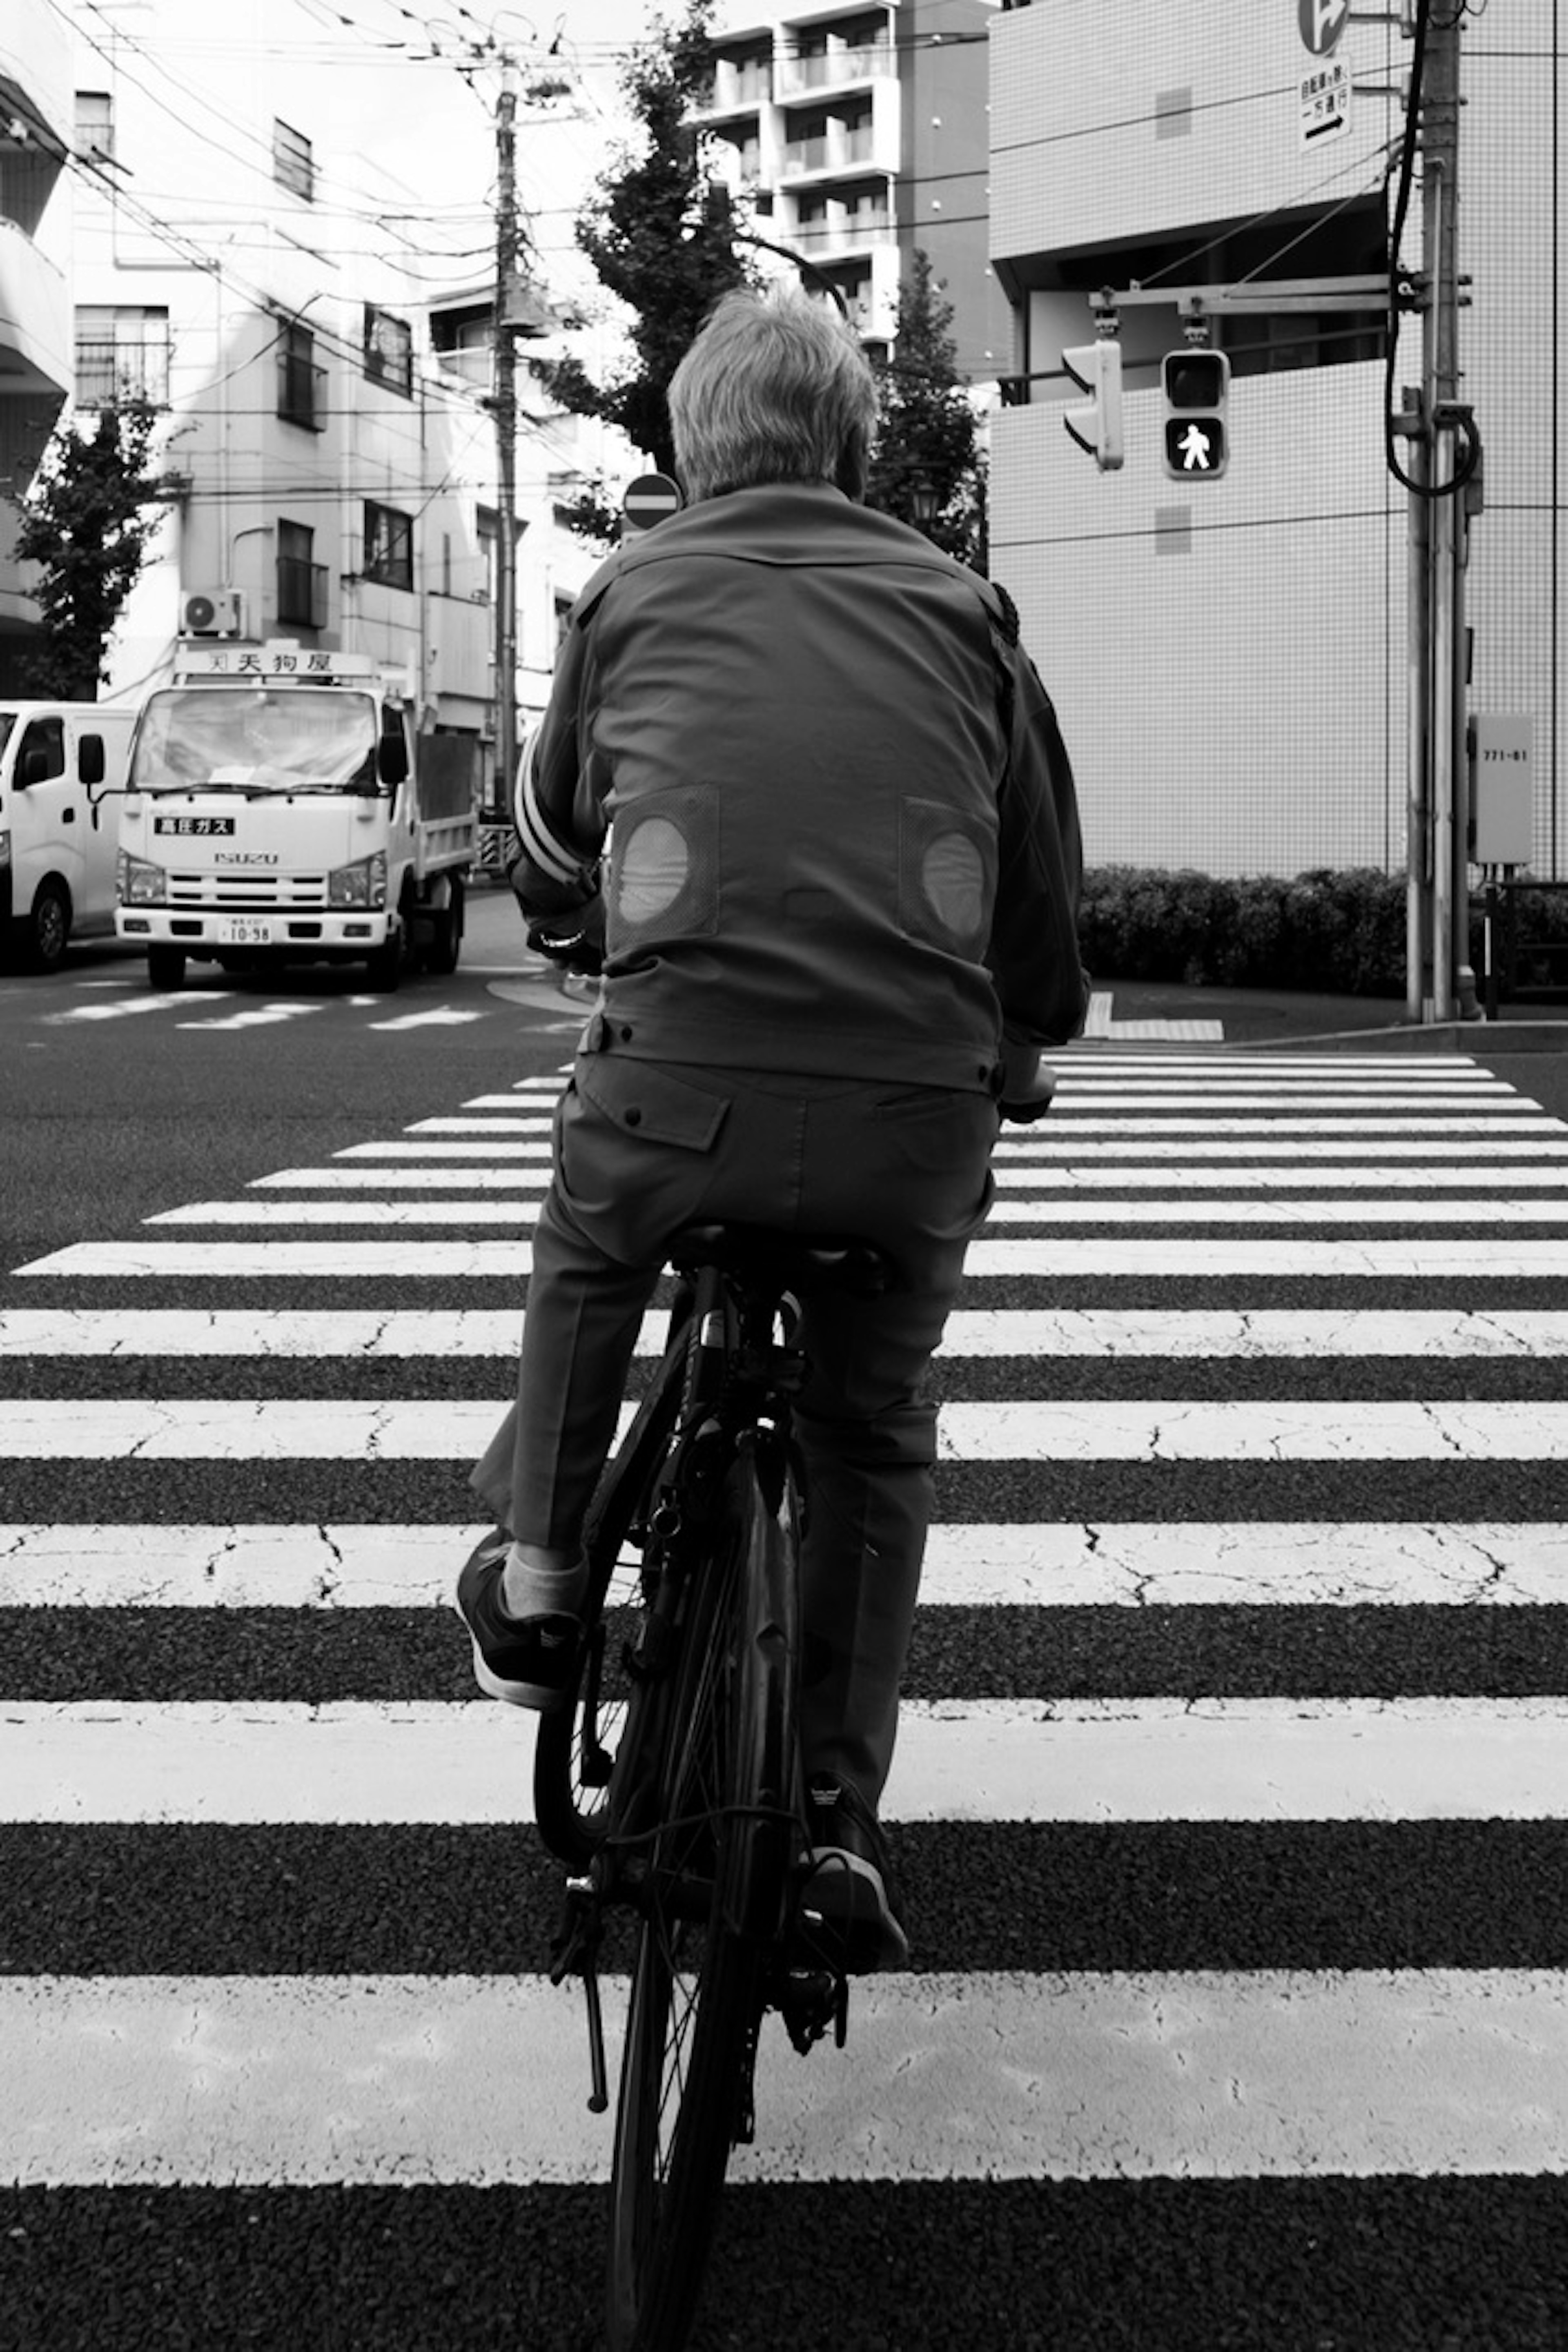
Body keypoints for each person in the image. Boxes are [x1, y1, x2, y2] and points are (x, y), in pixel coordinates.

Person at [457, 284, 1087, 1969]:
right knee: (868, 1433)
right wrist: (1026, 1043)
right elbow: (1035, 899)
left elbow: (548, 846)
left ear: (691, 446)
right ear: (854, 450)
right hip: (910, 1116)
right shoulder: (970, 613)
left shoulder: (625, 591)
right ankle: (827, 1828)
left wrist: (599, 934)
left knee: (593, 1248)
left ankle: (535, 1581)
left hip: (680, 1092)